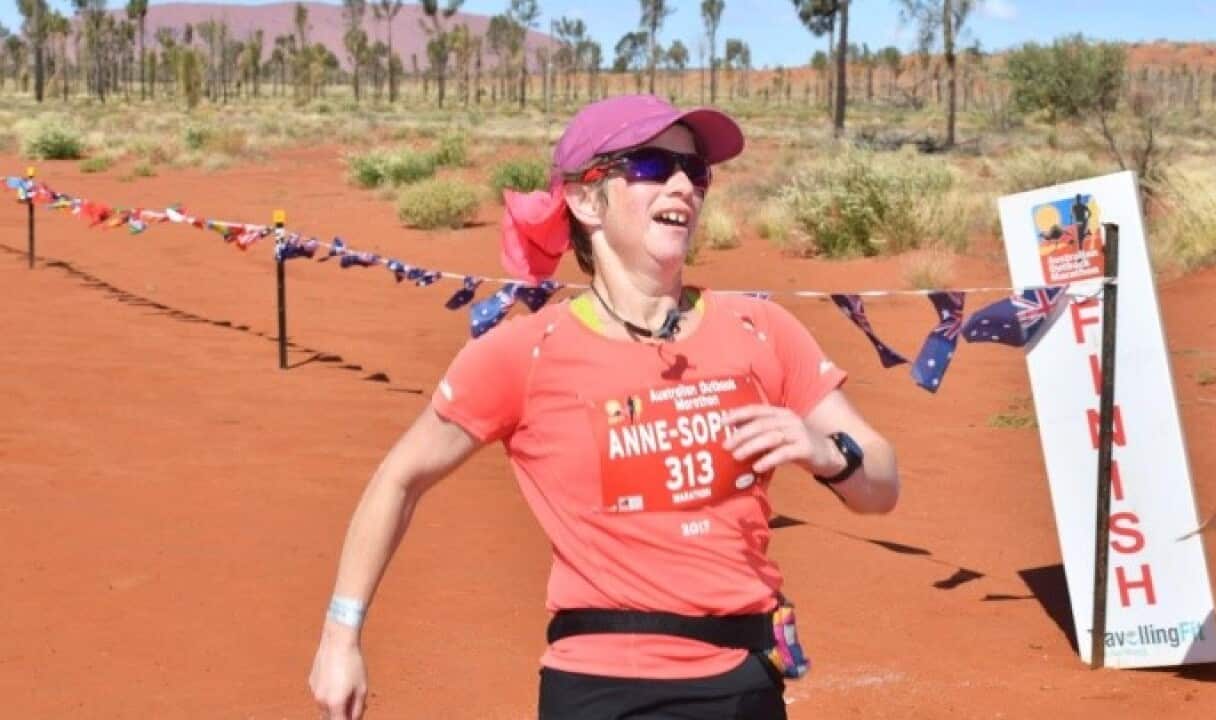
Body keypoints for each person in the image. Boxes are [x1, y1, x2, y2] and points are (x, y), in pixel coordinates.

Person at [308, 94, 900, 720]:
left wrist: (826, 453)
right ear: (586, 200)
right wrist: (339, 636)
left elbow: (881, 485)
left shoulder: (762, 329)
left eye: (694, 171)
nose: (682, 184)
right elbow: (400, 478)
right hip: (602, 689)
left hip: (744, 684)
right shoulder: (527, 352)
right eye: (650, 165)